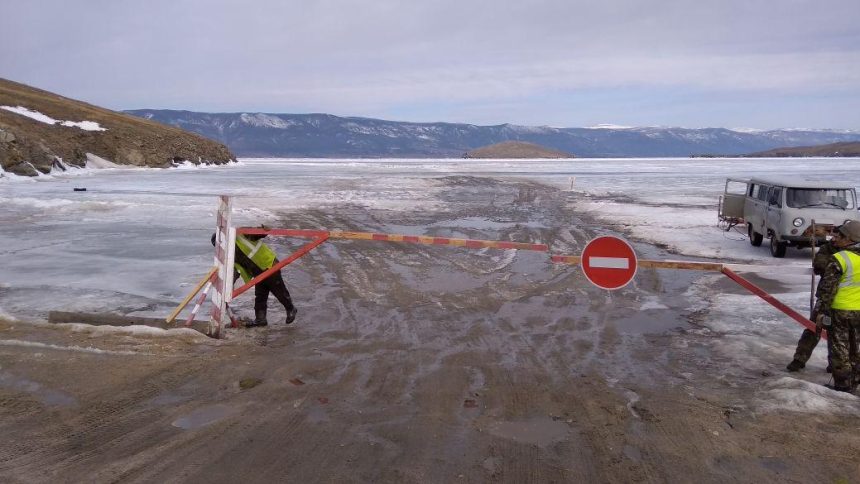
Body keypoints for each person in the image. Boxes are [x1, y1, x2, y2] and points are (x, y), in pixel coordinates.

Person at [211, 228, 298, 327]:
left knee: (278, 289)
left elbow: (256, 234)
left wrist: (263, 230)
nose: (222, 249)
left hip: (268, 263)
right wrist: (228, 288)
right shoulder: (230, 255)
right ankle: (261, 319)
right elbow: (234, 272)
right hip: (257, 272)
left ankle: (291, 308)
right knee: (260, 295)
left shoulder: (240, 236)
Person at [813, 221, 860, 392]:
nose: (835, 238)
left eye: (839, 236)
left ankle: (842, 385)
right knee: (856, 347)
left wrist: (821, 312)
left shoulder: (840, 259)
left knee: (839, 348)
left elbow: (827, 289)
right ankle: (855, 381)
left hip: (840, 310)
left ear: (849, 239)